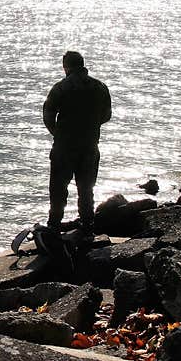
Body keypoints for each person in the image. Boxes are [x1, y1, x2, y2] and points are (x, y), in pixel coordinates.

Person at [43, 51, 111, 238]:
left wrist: (59, 134)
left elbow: (48, 116)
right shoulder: (100, 87)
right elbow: (107, 115)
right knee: (86, 189)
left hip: (64, 147)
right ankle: (88, 225)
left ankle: (54, 226)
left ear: (66, 67)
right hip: (90, 146)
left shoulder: (60, 88)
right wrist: (90, 127)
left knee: (58, 189)